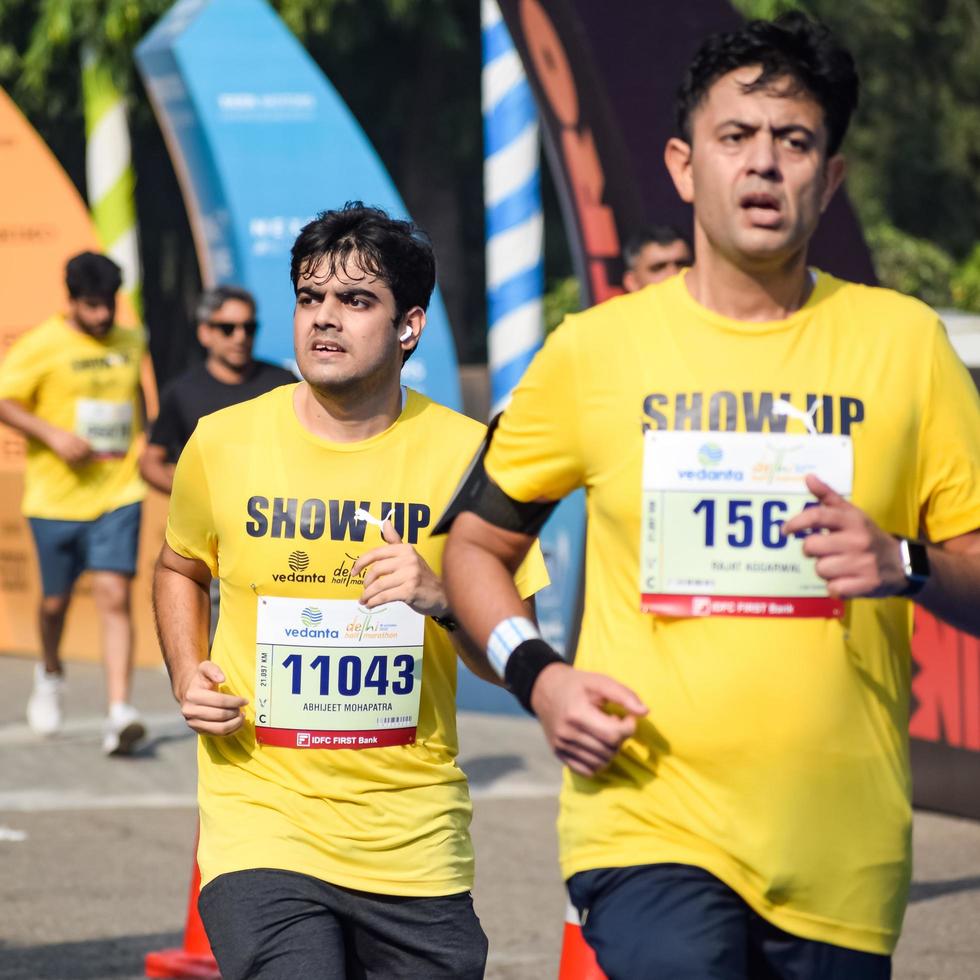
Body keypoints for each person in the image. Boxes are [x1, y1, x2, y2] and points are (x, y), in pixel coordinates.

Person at [441, 13, 980, 980]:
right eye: (738, 137)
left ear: (833, 176)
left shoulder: (906, 348)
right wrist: (540, 676)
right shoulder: (595, 353)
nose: (765, 165)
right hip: (648, 822)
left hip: (841, 844)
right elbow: (473, 546)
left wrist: (903, 560)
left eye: (796, 140)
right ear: (686, 166)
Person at [153, 203, 548, 980]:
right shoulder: (223, 441)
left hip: (413, 837)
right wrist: (183, 668)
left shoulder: (470, 457)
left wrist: (442, 597)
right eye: (310, 299)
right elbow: (180, 568)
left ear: (409, 326)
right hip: (261, 822)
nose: (324, 319)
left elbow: (511, 657)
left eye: (355, 301)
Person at [0, 251, 147, 755]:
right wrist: (53, 435)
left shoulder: (132, 340)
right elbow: (4, 399)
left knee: (114, 594)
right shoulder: (43, 344)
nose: (103, 315)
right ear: (71, 301)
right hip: (55, 498)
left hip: (118, 491)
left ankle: (119, 712)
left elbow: (136, 398)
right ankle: (50, 672)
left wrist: (144, 439)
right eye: (92, 306)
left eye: (108, 304)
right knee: (55, 603)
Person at [139, 285, 296, 495]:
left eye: (248, 327)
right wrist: (191, 497)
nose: (240, 337)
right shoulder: (182, 391)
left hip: (273, 513)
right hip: (211, 522)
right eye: (228, 328)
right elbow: (150, 461)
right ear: (205, 333)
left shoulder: (284, 382)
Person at [621, 224, 692, 291]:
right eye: (658, 267)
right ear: (632, 282)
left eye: (682, 264)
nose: (674, 274)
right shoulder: (615, 304)